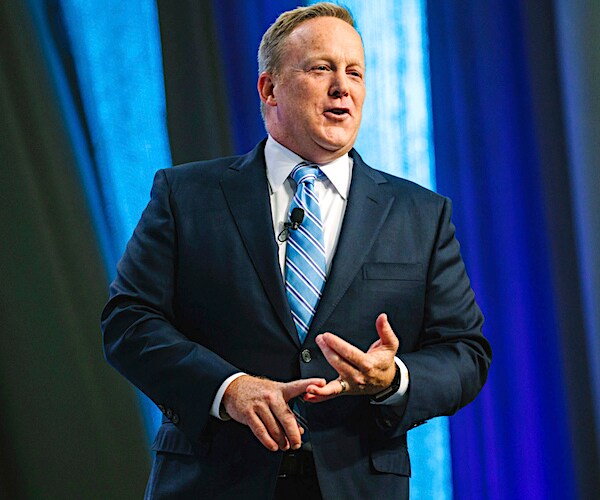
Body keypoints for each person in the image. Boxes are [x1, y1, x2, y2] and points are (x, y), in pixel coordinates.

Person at [101, 3, 491, 499]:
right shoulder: (186, 195)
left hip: (355, 483)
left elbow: (465, 352)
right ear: (269, 89)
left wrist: (393, 378)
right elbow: (128, 322)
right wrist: (228, 389)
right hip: (212, 481)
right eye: (321, 68)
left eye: (355, 72)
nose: (342, 87)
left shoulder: (420, 213)